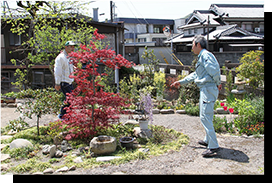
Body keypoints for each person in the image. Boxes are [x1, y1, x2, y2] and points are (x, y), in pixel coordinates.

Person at [171, 35, 222, 157]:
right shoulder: (202, 57)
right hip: (206, 89)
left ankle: (213, 146)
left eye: (193, 45)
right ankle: (208, 139)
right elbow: (196, 75)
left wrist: (218, 82)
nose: (192, 48)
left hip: (208, 88)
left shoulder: (205, 55)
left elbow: (214, 70)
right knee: (205, 115)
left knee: (205, 116)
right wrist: (181, 82)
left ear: (198, 45)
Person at [54, 41, 77, 119]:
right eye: (71, 47)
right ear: (66, 47)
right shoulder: (61, 57)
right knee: (70, 99)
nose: (73, 48)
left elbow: (67, 67)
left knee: (70, 99)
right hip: (64, 82)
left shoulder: (69, 57)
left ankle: (67, 115)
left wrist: (73, 68)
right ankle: (62, 115)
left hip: (69, 81)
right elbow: (57, 71)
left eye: (73, 47)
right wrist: (57, 83)